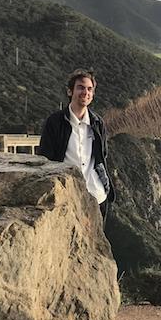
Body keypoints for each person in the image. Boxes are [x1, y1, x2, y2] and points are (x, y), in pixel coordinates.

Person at [37, 69, 115, 219]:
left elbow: (102, 156)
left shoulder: (97, 123)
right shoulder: (55, 122)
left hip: (97, 196)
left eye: (89, 89)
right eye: (80, 87)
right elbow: (45, 158)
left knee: (95, 243)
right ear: (69, 91)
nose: (85, 92)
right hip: (67, 197)